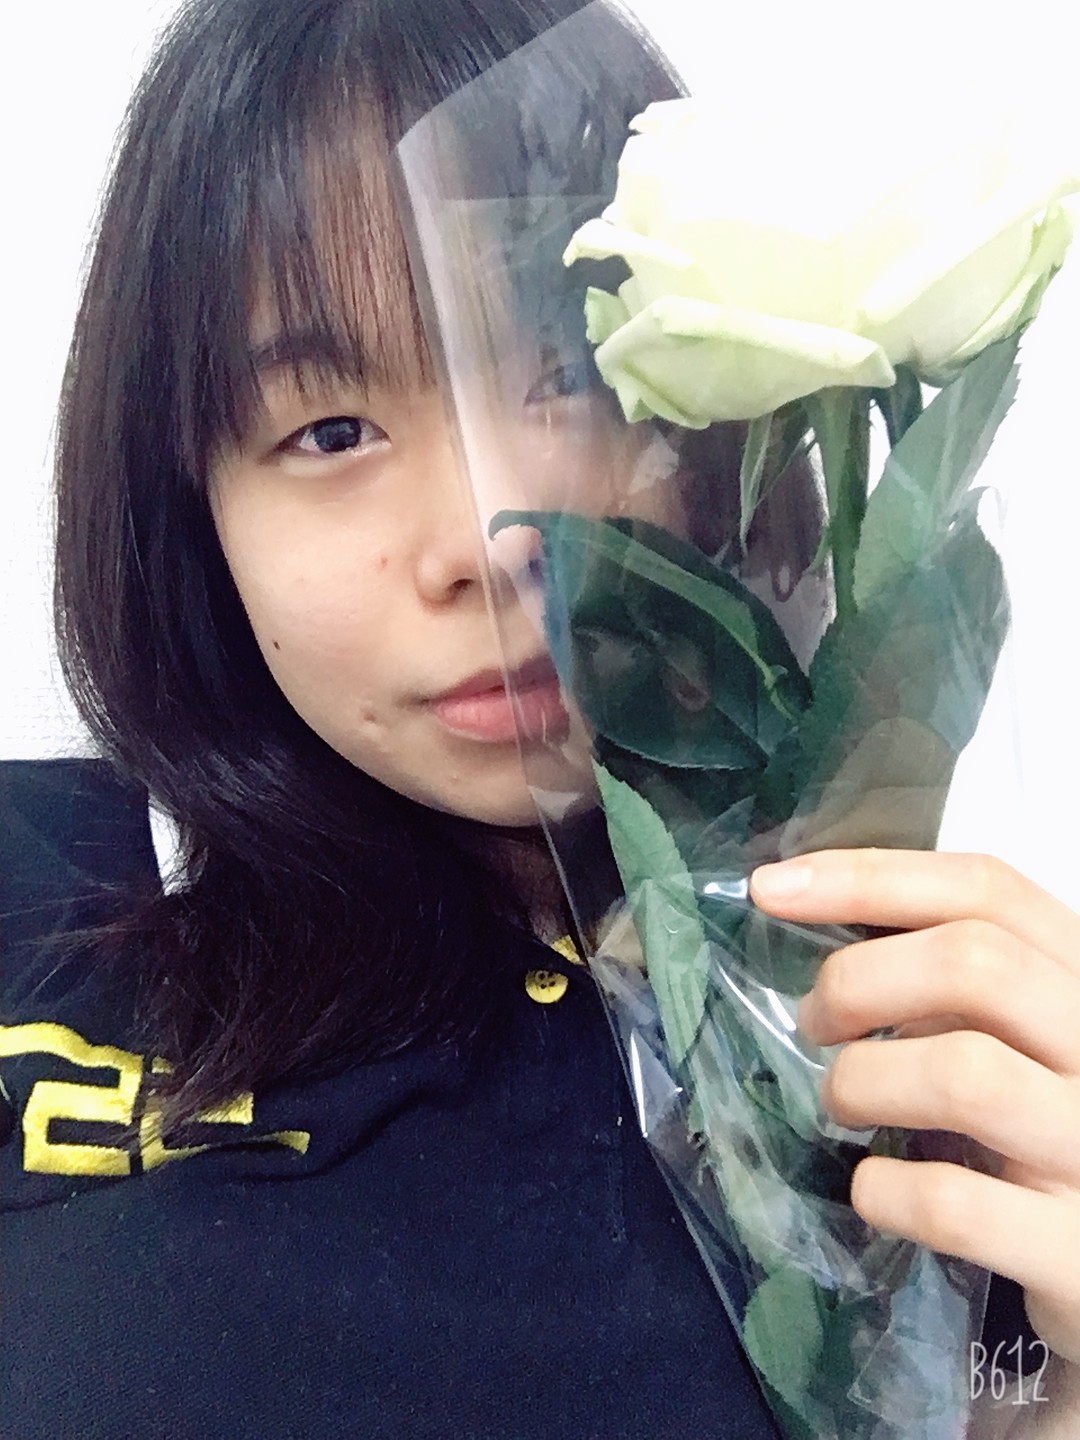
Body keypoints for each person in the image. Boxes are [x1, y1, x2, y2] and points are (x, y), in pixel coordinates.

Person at [2, 0, 1079, 1436]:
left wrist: (1056, 1398)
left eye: (571, 377)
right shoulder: (34, 887)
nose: (490, 538)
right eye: (331, 432)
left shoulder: (892, 1004)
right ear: (188, 502)